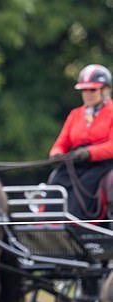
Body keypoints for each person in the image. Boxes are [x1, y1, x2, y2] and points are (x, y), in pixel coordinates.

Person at [48, 64, 113, 220]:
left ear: (105, 90)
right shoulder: (75, 114)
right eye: (84, 90)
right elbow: (61, 143)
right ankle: (48, 223)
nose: (87, 94)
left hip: (103, 164)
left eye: (93, 90)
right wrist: (56, 154)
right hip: (77, 162)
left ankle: (77, 224)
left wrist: (90, 153)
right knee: (57, 180)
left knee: (86, 184)